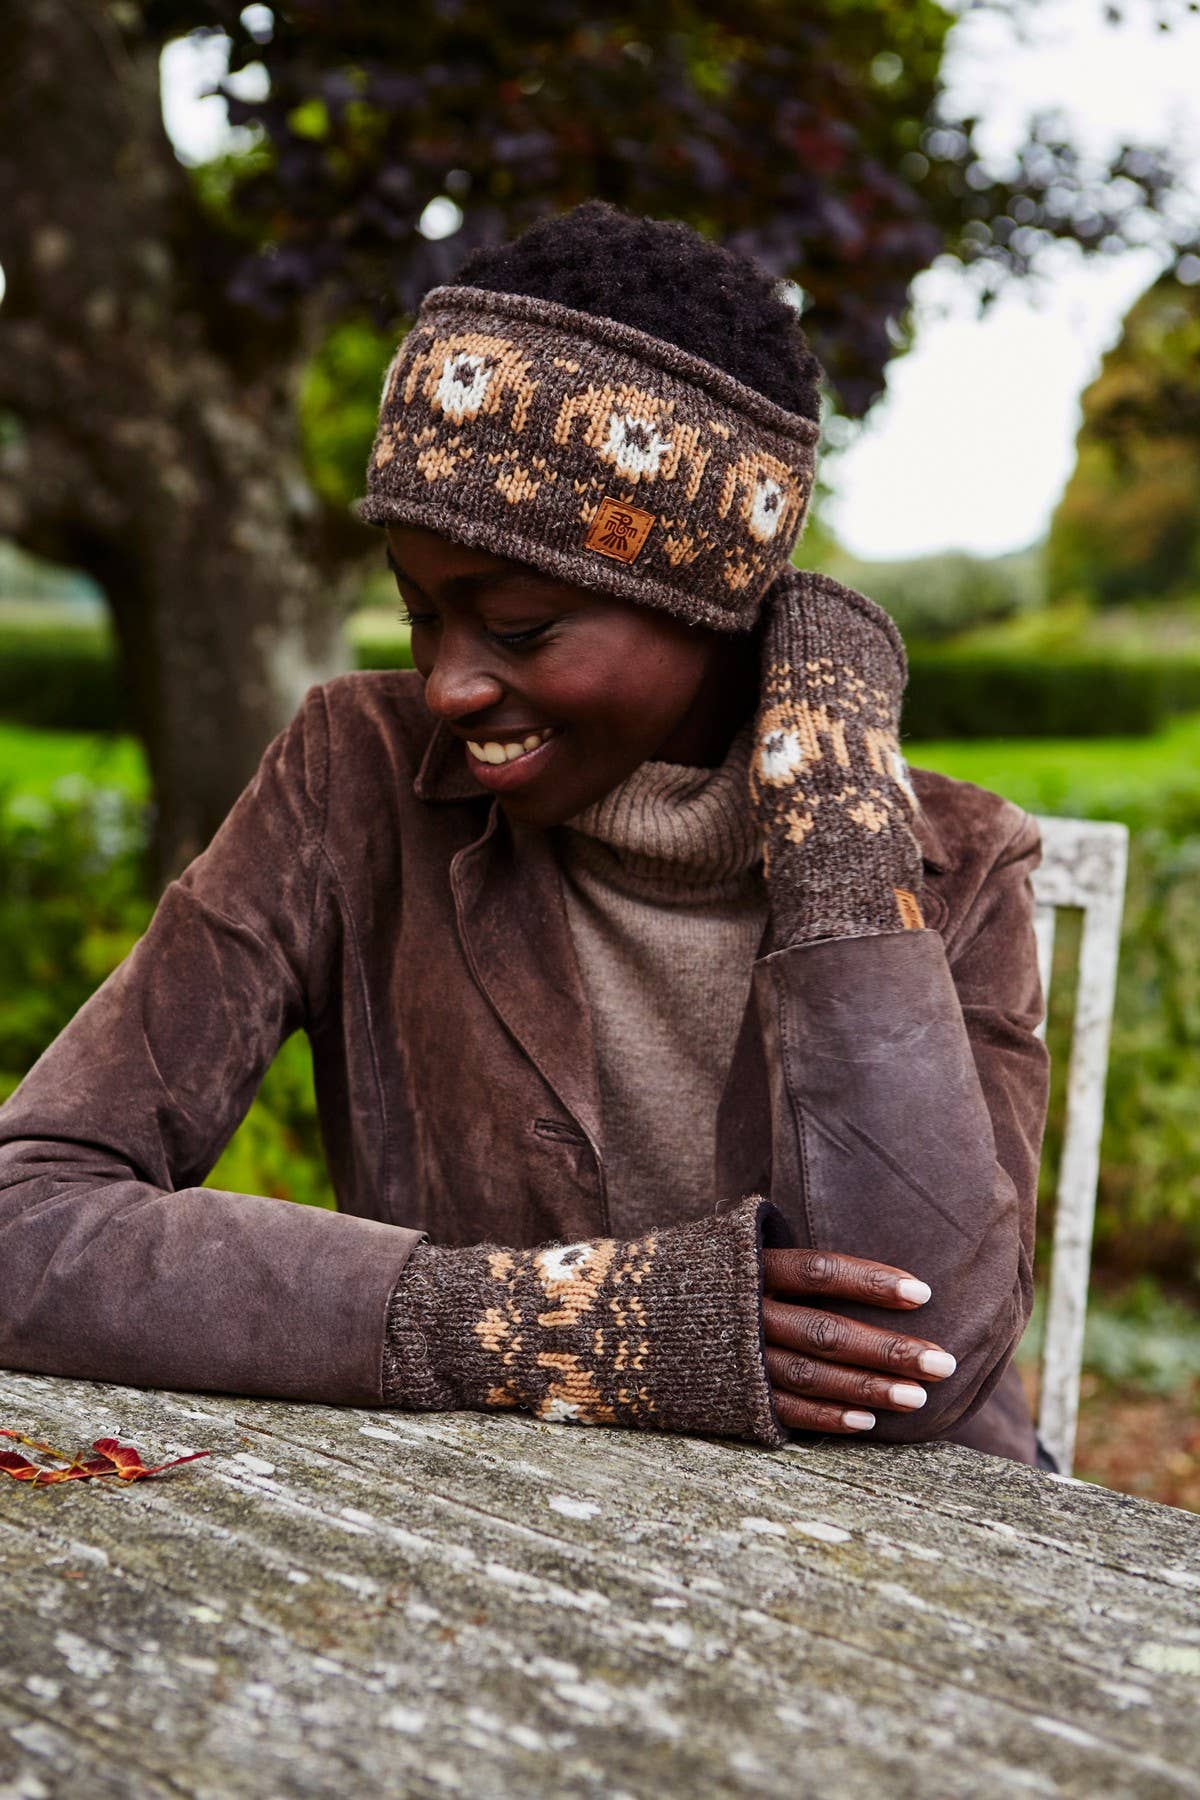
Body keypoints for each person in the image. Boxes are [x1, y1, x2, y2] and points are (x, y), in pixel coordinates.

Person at [0, 201, 1051, 1464]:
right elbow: (25, 1216)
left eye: (517, 625)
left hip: (912, 1579)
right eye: (420, 617)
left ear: (707, 603)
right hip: (500, 1527)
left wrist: (834, 819)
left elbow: (916, 1366)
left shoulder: (957, 860)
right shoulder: (357, 773)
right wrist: (535, 1326)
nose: (448, 688)